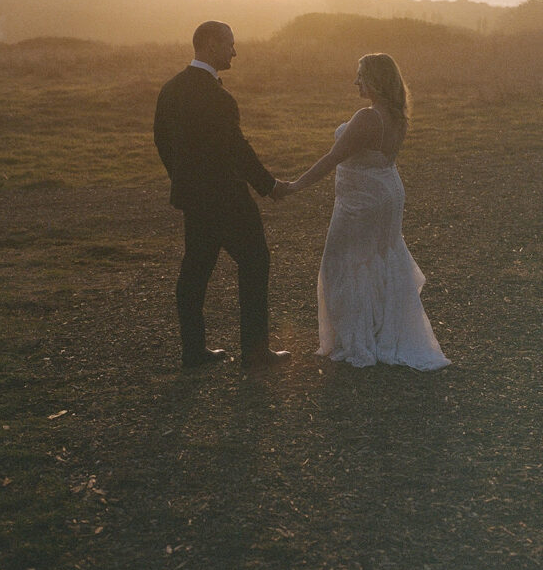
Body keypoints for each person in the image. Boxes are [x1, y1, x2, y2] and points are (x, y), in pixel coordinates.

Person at [286, 53, 450, 370]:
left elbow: (332, 158)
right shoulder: (398, 115)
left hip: (362, 201)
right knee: (380, 258)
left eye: (360, 75)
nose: (356, 82)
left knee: (343, 262)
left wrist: (294, 185)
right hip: (388, 192)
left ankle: (358, 339)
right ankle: (380, 332)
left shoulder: (367, 118)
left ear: (374, 79)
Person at [154, 21, 292, 371]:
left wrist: (183, 179)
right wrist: (269, 185)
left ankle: (193, 351)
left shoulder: (170, 89)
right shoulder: (218, 97)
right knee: (255, 262)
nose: (234, 51)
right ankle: (255, 351)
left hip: (194, 199)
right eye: (230, 43)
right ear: (211, 44)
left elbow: (161, 141)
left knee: (195, 271)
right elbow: (236, 149)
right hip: (228, 198)